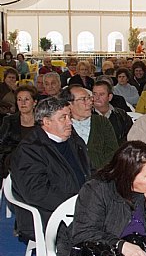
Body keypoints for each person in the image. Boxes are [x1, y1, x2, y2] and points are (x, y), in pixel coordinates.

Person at [11, 97, 91, 241]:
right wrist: (79, 204)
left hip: (80, 204)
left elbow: (88, 170)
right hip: (50, 215)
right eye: (63, 118)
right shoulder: (29, 150)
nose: (70, 122)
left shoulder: (72, 139)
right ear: (47, 122)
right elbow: (36, 193)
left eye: (69, 116)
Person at [60, 85, 119, 170]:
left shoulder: (101, 122)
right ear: (69, 104)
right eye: (83, 99)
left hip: (102, 174)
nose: (90, 103)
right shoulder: (62, 126)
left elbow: (113, 153)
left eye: (89, 98)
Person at [0, 85, 37, 177]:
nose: (22, 103)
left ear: (34, 102)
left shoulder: (43, 122)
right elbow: (1, 144)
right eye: (19, 99)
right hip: (13, 165)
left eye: (26, 99)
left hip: (37, 165)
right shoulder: (9, 120)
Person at [92, 80, 133, 145]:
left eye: (101, 94)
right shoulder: (86, 115)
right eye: (94, 94)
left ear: (110, 97)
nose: (97, 98)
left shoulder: (121, 115)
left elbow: (130, 137)